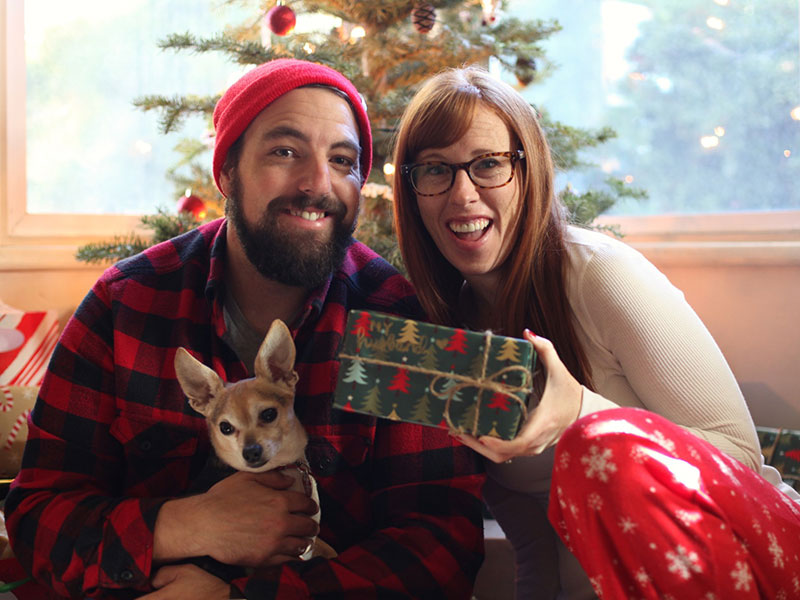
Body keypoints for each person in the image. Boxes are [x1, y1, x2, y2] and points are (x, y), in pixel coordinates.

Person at [4, 58, 486, 599]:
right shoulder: (129, 305)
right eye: (285, 152)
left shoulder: (394, 321)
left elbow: (442, 542)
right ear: (227, 171)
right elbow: (37, 516)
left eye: (343, 160)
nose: (316, 184)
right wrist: (187, 524)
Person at [391, 65, 800, 600]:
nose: (462, 193)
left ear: (527, 170)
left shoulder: (599, 273)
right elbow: (534, 544)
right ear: (413, 190)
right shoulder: (453, 336)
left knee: (597, 443)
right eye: (435, 170)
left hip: (753, 561)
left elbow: (739, 458)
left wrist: (580, 411)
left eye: (488, 164)